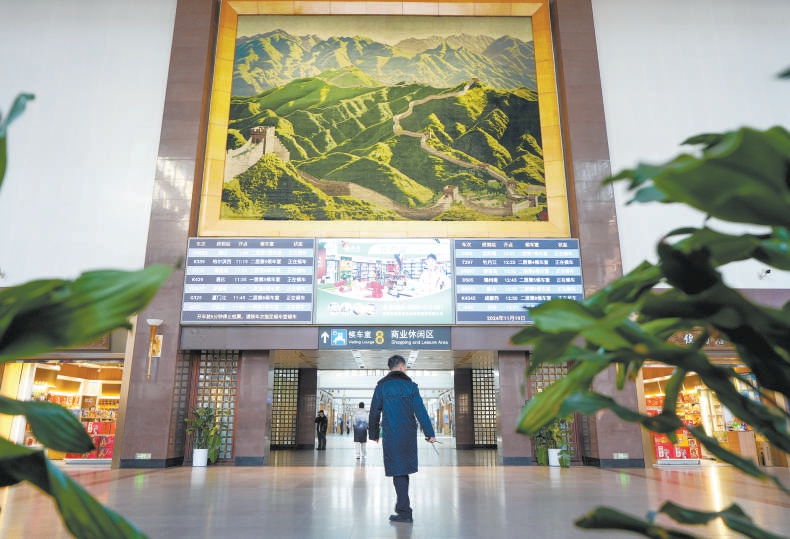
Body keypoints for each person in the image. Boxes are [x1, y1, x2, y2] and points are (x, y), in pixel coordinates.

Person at [369, 354, 436, 524]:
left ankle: (404, 510)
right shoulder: (411, 386)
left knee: (398, 470)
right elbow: (420, 410)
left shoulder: (381, 387)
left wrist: (374, 434)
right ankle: (403, 508)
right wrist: (429, 433)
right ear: (402, 367)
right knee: (402, 469)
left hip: (391, 434)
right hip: (408, 434)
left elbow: (374, 411)